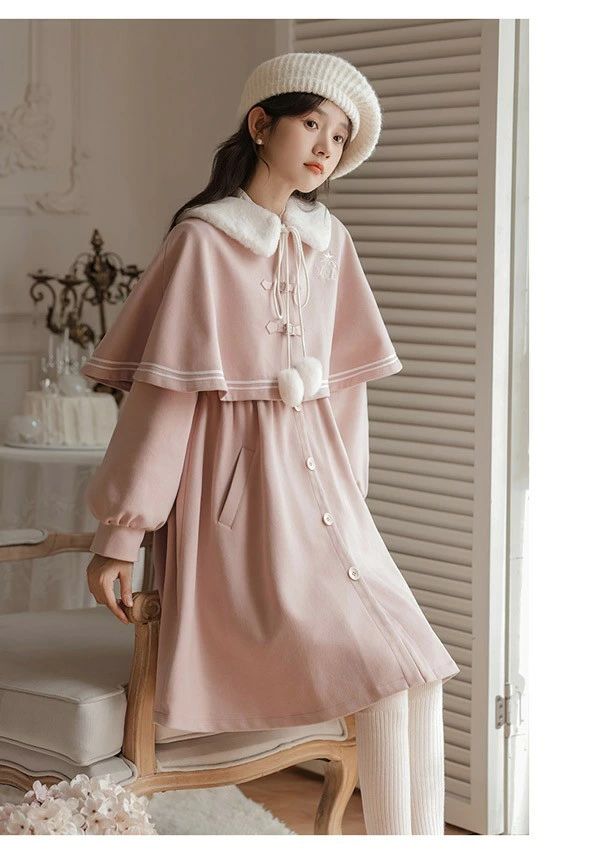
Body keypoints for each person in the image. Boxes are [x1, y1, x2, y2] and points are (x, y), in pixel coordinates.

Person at [83, 52, 460, 835]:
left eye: (340, 136)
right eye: (312, 123)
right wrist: (121, 535)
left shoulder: (331, 244)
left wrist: (348, 502)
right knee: (395, 672)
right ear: (261, 125)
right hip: (240, 509)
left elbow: (346, 391)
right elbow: (165, 402)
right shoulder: (204, 241)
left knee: (418, 672)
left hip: (325, 504)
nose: (326, 145)